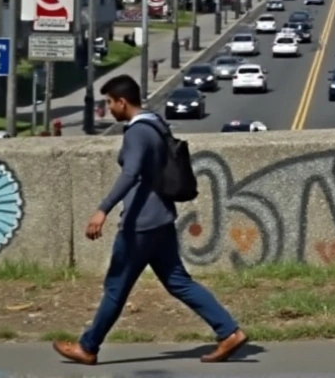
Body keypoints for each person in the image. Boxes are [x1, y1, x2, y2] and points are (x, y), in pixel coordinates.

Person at [51, 75, 247, 366]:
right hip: (161, 218)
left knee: (116, 287)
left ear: (122, 101)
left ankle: (88, 347)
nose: (109, 108)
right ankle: (229, 332)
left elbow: (130, 174)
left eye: (109, 102)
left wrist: (102, 209)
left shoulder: (137, 133)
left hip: (140, 224)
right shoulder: (155, 123)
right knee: (178, 281)